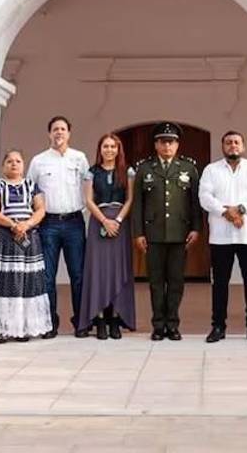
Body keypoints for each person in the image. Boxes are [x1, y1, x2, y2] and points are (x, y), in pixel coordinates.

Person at [132, 121, 202, 341]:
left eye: (171, 142)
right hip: (153, 234)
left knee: (176, 281)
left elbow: (194, 203)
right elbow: (137, 204)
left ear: (177, 145)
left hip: (179, 233)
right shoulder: (145, 169)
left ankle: (172, 324)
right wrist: (138, 232)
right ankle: (158, 325)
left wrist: (196, 228)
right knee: (155, 282)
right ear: (156, 145)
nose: (167, 146)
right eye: (163, 142)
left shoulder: (188, 168)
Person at [199, 130, 247, 344]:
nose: (233, 145)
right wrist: (226, 212)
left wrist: (240, 209)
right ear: (223, 146)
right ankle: (218, 327)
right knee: (220, 283)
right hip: (220, 237)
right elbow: (205, 197)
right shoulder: (211, 170)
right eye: (228, 142)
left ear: (243, 146)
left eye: (236, 142)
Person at [27, 116, 92, 339]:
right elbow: (30, 191)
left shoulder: (79, 158)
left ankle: (81, 322)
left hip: (74, 222)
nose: (59, 133)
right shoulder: (39, 161)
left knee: (78, 274)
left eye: (63, 129)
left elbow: (89, 186)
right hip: (48, 224)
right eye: (55, 129)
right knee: (47, 276)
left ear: (69, 133)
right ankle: (49, 323)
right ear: (49, 133)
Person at [0, 150, 52, 341]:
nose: (14, 164)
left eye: (18, 161)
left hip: (28, 240)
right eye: (9, 161)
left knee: (26, 283)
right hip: (4, 240)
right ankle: (2, 329)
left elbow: (40, 210)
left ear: (23, 165)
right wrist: (13, 225)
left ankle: (22, 328)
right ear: (3, 165)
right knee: (3, 283)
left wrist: (26, 224)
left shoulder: (32, 186)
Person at [77, 133, 137, 340]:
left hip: (120, 223)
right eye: (105, 146)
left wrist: (117, 221)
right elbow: (88, 200)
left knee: (118, 269)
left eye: (113, 146)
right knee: (99, 271)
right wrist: (104, 221)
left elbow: (130, 199)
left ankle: (116, 319)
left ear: (118, 149)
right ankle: (100, 318)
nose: (109, 150)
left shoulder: (128, 171)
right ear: (100, 149)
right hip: (99, 222)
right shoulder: (91, 172)